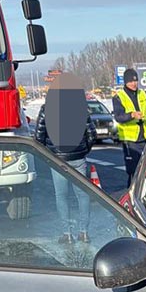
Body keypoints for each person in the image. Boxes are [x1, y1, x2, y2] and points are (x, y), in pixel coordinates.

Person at [34, 73, 98, 244]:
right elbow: (92, 134)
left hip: (57, 159)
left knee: (61, 196)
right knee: (82, 195)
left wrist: (48, 153)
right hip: (78, 158)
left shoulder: (47, 108)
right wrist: (83, 150)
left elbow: (39, 135)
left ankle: (66, 233)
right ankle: (84, 232)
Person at [113, 68, 146, 185]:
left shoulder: (143, 94)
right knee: (134, 172)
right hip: (130, 141)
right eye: (131, 81)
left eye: (135, 81)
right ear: (125, 82)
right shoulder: (119, 97)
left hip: (145, 138)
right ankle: (132, 194)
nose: (134, 84)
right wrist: (132, 115)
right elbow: (119, 117)